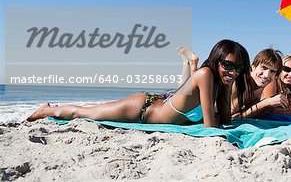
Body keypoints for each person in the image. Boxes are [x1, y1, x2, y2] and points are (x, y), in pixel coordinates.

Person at [27, 39, 251, 127]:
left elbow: (226, 118)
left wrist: (230, 82)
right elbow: (210, 127)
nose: (233, 71)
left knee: (88, 112)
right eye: (228, 65)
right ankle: (47, 109)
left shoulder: (219, 82)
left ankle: (187, 64)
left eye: (238, 68)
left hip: (160, 103)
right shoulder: (205, 75)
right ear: (216, 59)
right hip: (141, 109)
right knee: (85, 113)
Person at [231, 48, 287, 118]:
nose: (266, 75)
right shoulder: (240, 83)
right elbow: (230, 117)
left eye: (272, 71)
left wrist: (269, 105)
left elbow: (248, 113)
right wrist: (265, 103)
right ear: (253, 67)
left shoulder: (259, 85)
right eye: (264, 68)